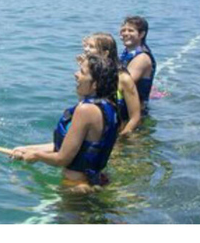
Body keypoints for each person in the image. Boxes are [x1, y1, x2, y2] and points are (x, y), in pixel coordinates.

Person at [12, 54, 120, 193]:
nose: (76, 74)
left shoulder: (85, 110)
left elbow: (62, 159)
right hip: (95, 181)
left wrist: (36, 156)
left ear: (95, 84)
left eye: (82, 72)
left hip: (75, 186)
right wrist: (28, 149)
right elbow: (71, 147)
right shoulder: (110, 106)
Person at [83, 32, 141, 136]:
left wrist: (120, 138)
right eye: (86, 46)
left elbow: (135, 117)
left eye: (91, 47)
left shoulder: (123, 79)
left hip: (119, 133)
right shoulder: (90, 75)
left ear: (105, 53)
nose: (86, 49)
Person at [119, 16, 156, 113]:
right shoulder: (127, 52)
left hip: (136, 113)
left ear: (141, 34)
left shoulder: (141, 58)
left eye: (131, 30)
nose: (125, 33)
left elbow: (122, 86)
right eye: (123, 30)